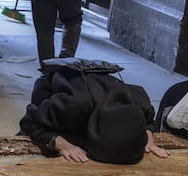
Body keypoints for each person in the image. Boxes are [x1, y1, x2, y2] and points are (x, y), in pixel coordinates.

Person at [19, 58, 169, 164]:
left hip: (97, 84)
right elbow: (29, 121)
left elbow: (149, 120)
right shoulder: (71, 106)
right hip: (56, 85)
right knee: (41, 138)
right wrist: (60, 143)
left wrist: (147, 138)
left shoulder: (139, 102)